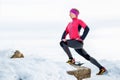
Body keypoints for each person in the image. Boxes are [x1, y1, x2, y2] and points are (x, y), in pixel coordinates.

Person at [60, 8, 107, 75]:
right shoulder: (69, 24)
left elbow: (87, 29)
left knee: (62, 43)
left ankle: (71, 59)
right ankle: (101, 68)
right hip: (75, 44)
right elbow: (65, 32)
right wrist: (63, 38)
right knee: (87, 57)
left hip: (78, 42)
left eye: (71, 13)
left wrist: (82, 38)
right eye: (69, 13)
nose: (69, 14)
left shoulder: (79, 21)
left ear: (75, 14)